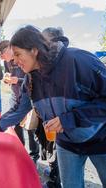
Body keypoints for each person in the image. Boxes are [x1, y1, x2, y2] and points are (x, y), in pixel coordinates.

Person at [0, 25, 106, 188]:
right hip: (67, 143)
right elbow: (19, 110)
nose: (14, 61)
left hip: (105, 138)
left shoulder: (78, 60)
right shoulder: (30, 79)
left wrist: (71, 119)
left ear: (34, 50)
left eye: (18, 54)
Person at [0, 40, 39, 163]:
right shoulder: (6, 62)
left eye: (2, 54)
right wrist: (6, 78)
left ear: (9, 49)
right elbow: (8, 74)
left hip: (28, 97)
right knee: (16, 125)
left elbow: (31, 79)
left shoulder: (23, 57)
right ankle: (19, 150)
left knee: (30, 128)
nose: (2, 58)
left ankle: (33, 155)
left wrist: (18, 80)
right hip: (14, 96)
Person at [40, 26, 70, 188]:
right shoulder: (46, 64)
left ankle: (54, 179)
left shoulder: (75, 59)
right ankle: (54, 179)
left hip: (100, 138)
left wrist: (67, 119)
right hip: (65, 135)